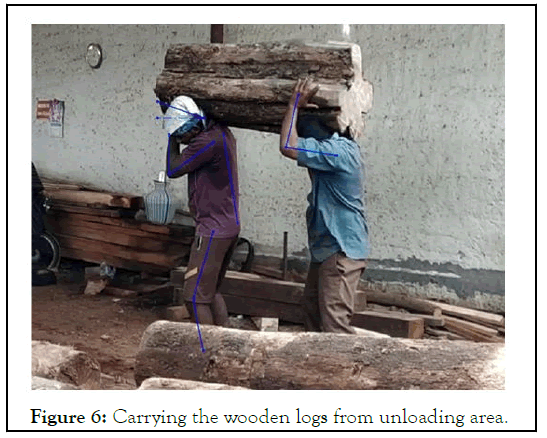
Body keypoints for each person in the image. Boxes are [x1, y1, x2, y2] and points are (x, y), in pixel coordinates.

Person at [279, 78, 370, 334]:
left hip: (341, 249)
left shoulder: (338, 152)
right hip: (327, 248)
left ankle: (341, 360)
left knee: (334, 325)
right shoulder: (331, 153)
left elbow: (288, 145)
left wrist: (294, 105)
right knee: (311, 312)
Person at [164, 96, 240, 327]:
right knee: (210, 292)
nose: (182, 141)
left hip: (212, 230)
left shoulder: (207, 142)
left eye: (182, 136)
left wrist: (170, 137)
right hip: (227, 225)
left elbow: (173, 169)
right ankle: (227, 340)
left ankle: (207, 345)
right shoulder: (222, 133)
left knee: (194, 298)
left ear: (194, 128)